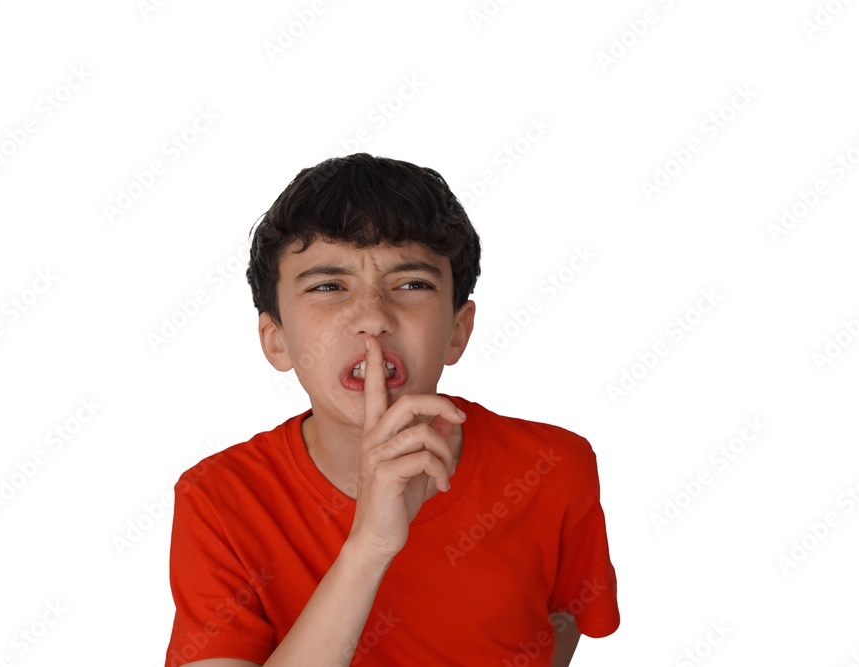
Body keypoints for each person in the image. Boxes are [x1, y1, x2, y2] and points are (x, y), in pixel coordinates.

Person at [164, 153, 620, 666]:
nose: (373, 319)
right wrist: (370, 546)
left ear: (457, 330)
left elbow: (562, 622)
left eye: (412, 284)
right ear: (277, 341)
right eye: (328, 286)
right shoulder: (219, 499)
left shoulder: (555, 466)